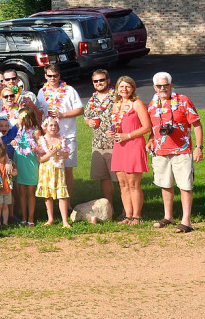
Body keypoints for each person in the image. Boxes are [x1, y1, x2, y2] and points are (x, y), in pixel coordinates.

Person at [146, 72, 203, 233]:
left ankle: (186, 221)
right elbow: (153, 128)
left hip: (182, 150)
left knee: (185, 184)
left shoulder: (183, 101)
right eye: (159, 86)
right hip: (160, 151)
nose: (163, 88)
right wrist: (151, 139)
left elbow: (197, 125)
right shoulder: (152, 103)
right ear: (154, 88)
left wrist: (199, 147)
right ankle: (168, 216)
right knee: (165, 183)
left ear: (171, 86)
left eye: (166, 85)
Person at [106, 76, 151, 225]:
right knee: (123, 184)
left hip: (133, 144)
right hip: (120, 146)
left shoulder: (137, 104)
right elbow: (116, 125)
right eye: (122, 86)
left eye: (128, 86)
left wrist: (128, 135)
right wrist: (111, 133)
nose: (124, 89)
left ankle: (137, 216)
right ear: (117, 88)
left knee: (133, 184)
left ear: (133, 89)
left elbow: (147, 127)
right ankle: (128, 215)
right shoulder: (116, 105)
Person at [36, 64, 83, 193]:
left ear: (59, 76)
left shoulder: (69, 90)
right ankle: (51, 197)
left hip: (67, 135)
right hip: (48, 138)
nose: (52, 78)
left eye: (55, 76)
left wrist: (63, 115)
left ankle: (67, 202)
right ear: (46, 76)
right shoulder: (42, 92)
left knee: (67, 169)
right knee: (49, 168)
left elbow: (80, 109)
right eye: (49, 76)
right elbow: (40, 112)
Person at [83, 70, 117, 207]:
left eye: (101, 80)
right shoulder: (92, 99)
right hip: (98, 144)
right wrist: (88, 122)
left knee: (120, 178)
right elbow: (86, 116)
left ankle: (127, 210)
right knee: (104, 178)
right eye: (95, 81)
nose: (99, 83)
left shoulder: (117, 97)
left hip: (115, 143)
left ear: (108, 80)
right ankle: (109, 207)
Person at [35, 117, 71, 228]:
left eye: (55, 125)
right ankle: (50, 218)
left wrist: (60, 153)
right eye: (51, 125)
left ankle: (65, 221)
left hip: (58, 169)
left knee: (62, 194)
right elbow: (40, 159)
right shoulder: (42, 140)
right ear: (45, 127)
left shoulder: (61, 138)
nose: (53, 127)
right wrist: (50, 154)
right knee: (48, 194)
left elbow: (66, 154)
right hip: (46, 169)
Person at [11, 108, 41, 227]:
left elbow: (42, 147)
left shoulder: (36, 131)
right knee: (21, 191)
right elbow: (17, 141)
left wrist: (37, 149)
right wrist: (14, 142)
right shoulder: (20, 130)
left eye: (20, 117)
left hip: (31, 161)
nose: (18, 119)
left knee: (30, 191)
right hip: (20, 159)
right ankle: (23, 217)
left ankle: (31, 217)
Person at [0, 143, 15, 226]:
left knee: (5, 206)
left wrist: (12, 172)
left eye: (0, 157)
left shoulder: (9, 163)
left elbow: (15, 172)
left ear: (5, 155)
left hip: (7, 189)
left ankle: (5, 222)